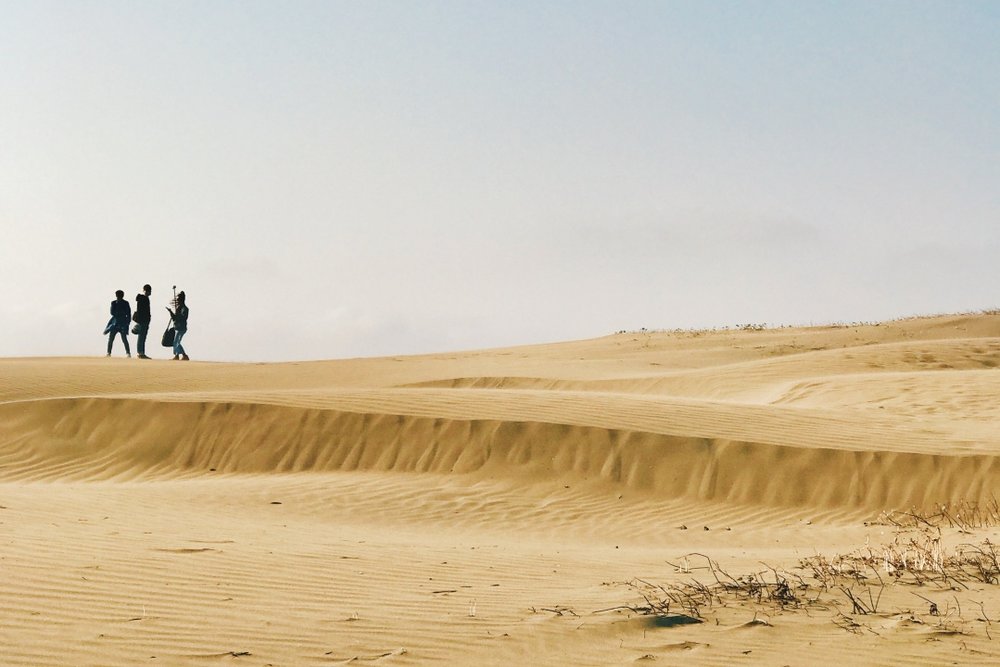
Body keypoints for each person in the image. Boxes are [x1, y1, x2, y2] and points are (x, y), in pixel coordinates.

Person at [107, 290, 132, 358]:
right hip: (118, 322)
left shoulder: (116, 303)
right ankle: (128, 353)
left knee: (114, 339)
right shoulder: (117, 303)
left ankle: (109, 353)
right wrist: (128, 322)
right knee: (121, 339)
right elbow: (128, 313)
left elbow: (112, 312)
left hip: (119, 322)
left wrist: (128, 322)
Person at [167, 290, 190, 361]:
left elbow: (183, 318)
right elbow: (174, 318)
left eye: (178, 300)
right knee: (176, 342)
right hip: (177, 327)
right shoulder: (179, 308)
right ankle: (179, 355)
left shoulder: (184, 308)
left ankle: (182, 355)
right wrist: (171, 312)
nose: (177, 301)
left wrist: (177, 314)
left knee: (176, 342)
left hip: (181, 328)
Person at [134, 284, 152, 359]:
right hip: (143, 321)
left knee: (142, 337)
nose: (149, 292)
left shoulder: (143, 298)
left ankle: (141, 352)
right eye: (149, 291)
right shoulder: (143, 299)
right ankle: (140, 353)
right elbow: (141, 310)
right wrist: (145, 319)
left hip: (144, 320)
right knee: (142, 337)